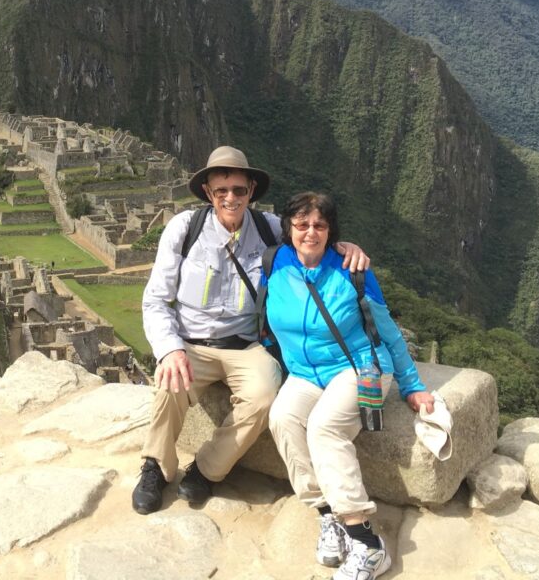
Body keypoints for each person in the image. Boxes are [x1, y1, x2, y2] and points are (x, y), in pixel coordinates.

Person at [132, 147, 370, 515]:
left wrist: (345, 248)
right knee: (170, 383)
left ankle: (207, 470)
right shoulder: (184, 229)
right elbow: (156, 301)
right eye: (222, 190)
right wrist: (170, 349)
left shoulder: (269, 229)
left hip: (245, 345)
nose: (231, 198)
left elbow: (310, 240)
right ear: (209, 193)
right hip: (191, 343)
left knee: (263, 398)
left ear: (251, 191)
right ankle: (156, 468)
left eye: (239, 190)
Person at [264, 192, 434, 579]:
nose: (310, 232)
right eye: (302, 224)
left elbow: (387, 332)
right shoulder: (274, 263)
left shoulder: (352, 270)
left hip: (358, 367)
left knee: (325, 429)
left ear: (331, 232)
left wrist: (412, 386)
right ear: (288, 228)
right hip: (306, 372)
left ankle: (366, 542)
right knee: (282, 419)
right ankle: (328, 514)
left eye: (320, 226)